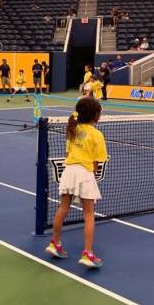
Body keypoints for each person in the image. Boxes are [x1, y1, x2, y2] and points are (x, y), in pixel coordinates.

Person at [45, 98, 107, 268]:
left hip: (69, 171)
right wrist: (87, 180)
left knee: (63, 208)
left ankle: (54, 243)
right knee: (88, 214)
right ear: (96, 115)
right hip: (84, 173)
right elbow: (95, 164)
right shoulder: (97, 135)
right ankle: (88, 254)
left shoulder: (73, 129)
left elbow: (67, 154)